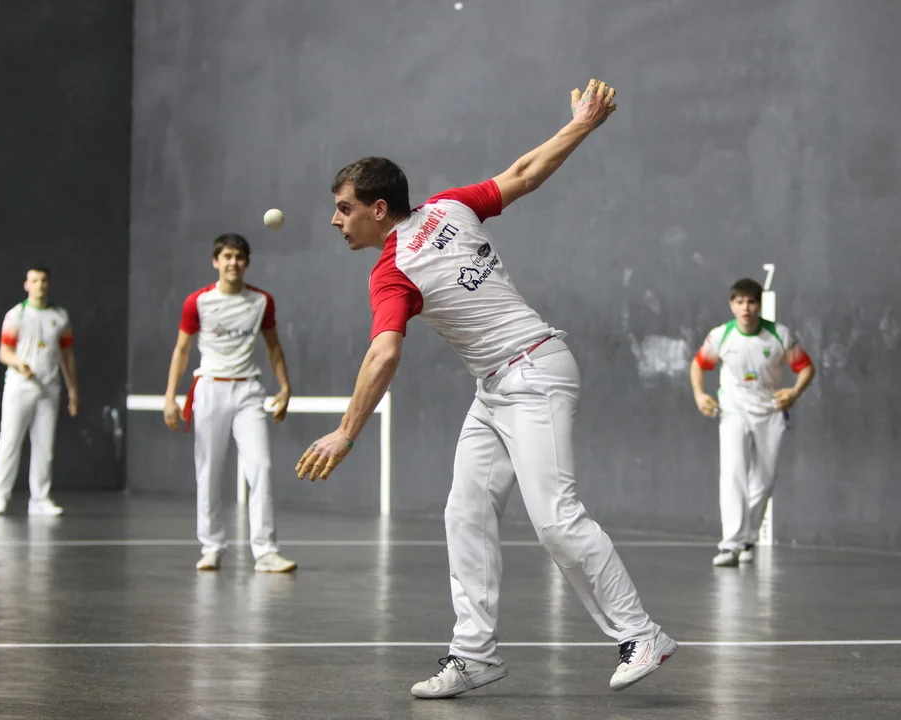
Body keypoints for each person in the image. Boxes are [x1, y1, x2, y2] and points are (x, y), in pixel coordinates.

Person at [296, 79, 677, 698]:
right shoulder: (449, 207)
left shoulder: (392, 271)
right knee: (465, 512)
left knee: (555, 520)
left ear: (378, 209)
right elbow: (523, 173)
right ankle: (474, 655)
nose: (335, 219)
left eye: (344, 207)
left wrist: (345, 432)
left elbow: (384, 352)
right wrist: (582, 124)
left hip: (534, 372)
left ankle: (641, 634)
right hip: (496, 387)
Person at [163, 233, 297, 573]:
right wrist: (170, 396)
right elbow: (182, 350)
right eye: (227, 257)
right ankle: (211, 546)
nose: (233, 263)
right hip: (210, 389)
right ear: (216, 261)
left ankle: (266, 552)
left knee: (261, 467)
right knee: (209, 469)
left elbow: (273, 347)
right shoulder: (198, 302)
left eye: (239, 257)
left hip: (248, 391)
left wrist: (284, 387)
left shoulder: (262, 301)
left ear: (247, 262)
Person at [690, 278, 816, 567]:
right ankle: (730, 545)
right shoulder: (721, 335)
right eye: (739, 302)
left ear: (760, 305)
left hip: (770, 411)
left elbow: (806, 368)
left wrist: (794, 392)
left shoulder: (779, 335)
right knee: (733, 472)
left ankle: (747, 537)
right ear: (731, 305)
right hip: (733, 409)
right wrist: (699, 394)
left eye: (751, 302)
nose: (745, 308)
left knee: (764, 479)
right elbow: (699, 364)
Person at [0, 267, 78, 516]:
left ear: (48, 284)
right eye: (34, 280)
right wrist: (19, 364)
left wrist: (73, 390)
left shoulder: (60, 316)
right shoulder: (16, 315)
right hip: (20, 387)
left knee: (44, 447)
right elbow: (4, 352)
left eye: (43, 280)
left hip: (49, 388)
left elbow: (67, 355)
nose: (39, 285)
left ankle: (40, 499)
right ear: (26, 285)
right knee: (10, 441)